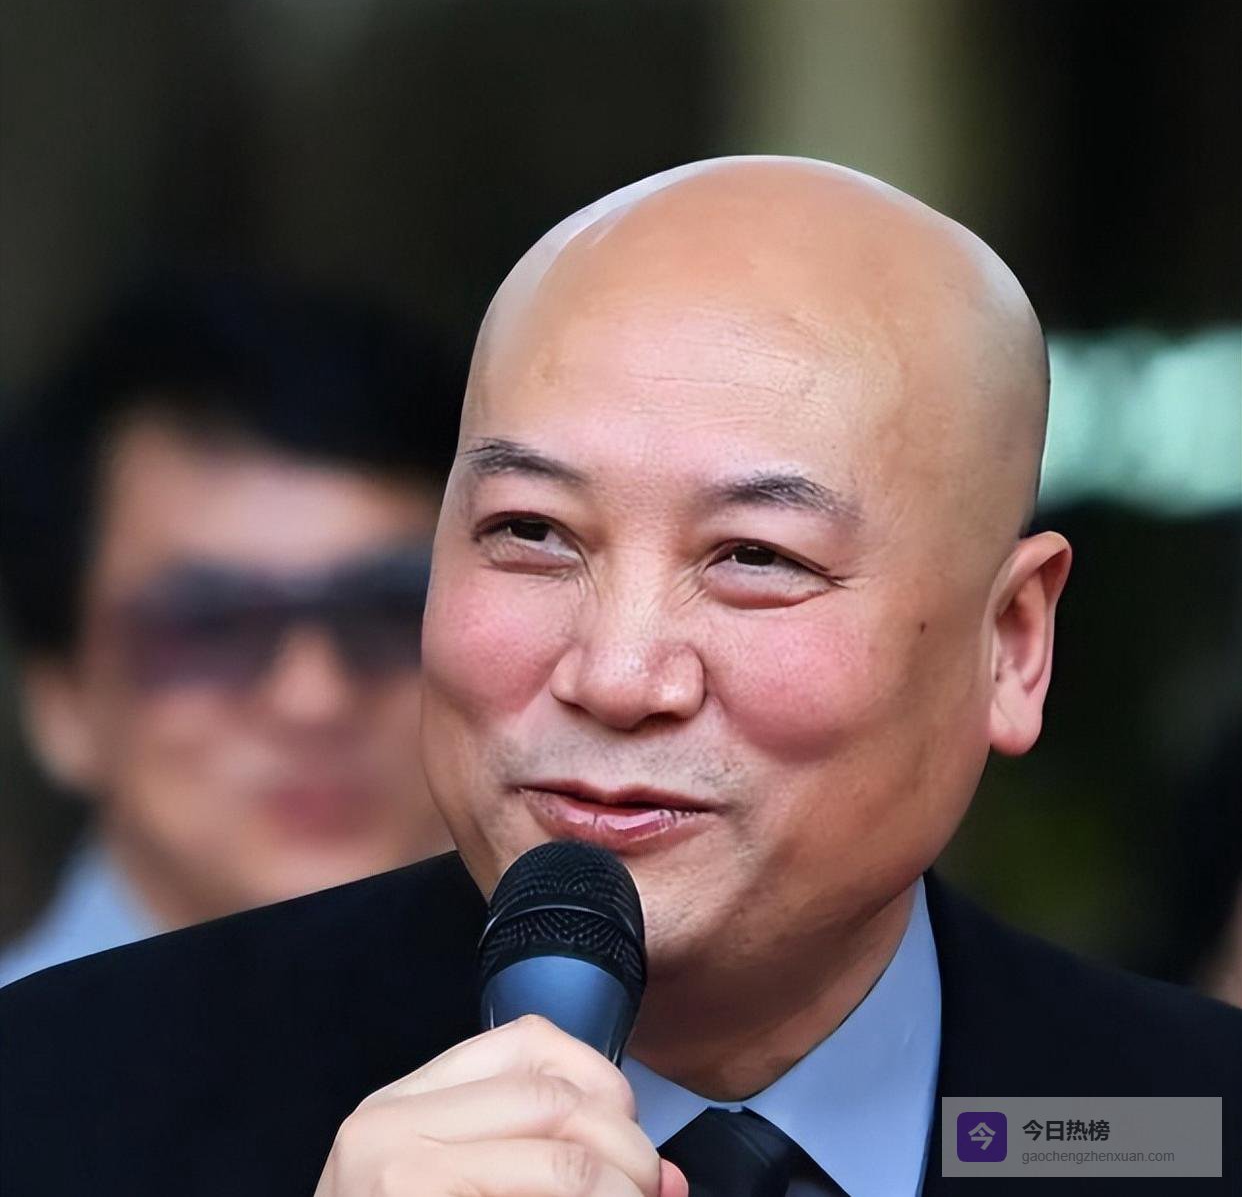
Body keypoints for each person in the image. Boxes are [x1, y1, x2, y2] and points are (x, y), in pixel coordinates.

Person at [2, 160, 1239, 1196]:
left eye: (756, 557)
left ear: (1011, 642)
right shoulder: (58, 1105)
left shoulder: (1175, 1120)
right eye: (532, 532)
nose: (617, 674)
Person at [0, 274, 458, 984]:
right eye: (211, 628)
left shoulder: (623, 1046)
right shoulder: (25, 1051)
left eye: (392, 612)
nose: (314, 698)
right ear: (59, 700)